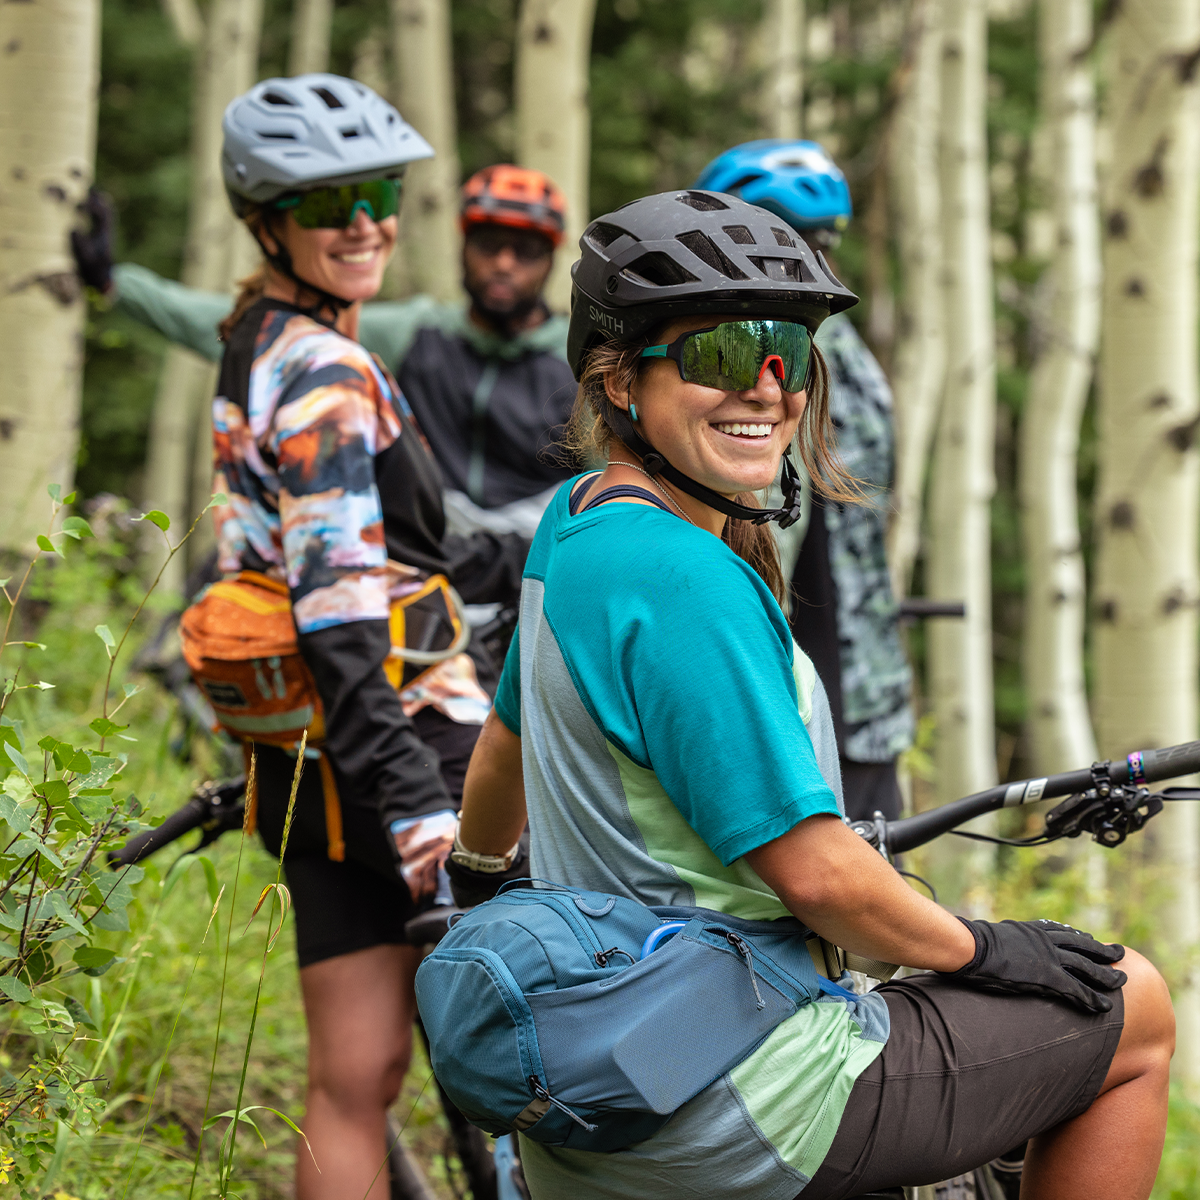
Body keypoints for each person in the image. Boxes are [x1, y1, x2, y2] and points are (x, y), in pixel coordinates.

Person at [445, 189, 1174, 1199]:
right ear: (616, 379)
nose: (770, 390)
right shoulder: (682, 576)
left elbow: (500, 749)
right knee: (1133, 1004)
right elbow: (821, 879)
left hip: (604, 1086)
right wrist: (987, 947)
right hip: (740, 1101)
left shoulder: (576, 525)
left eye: (788, 352)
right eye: (723, 356)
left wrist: (473, 886)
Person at [206, 73, 523, 1200]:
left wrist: (526, 550)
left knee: (352, 1079)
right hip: (410, 744)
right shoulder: (330, 373)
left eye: (379, 192)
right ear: (268, 218)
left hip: (302, 759)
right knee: (531, 1064)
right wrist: (422, 810)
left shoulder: (256, 343)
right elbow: (340, 605)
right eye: (328, 201)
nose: (363, 222)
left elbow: (376, 547)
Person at [73, 163, 579, 543]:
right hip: (420, 552)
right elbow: (254, 329)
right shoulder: (416, 333)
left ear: (551, 260)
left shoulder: (575, 361)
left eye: (527, 250)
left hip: (530, 566)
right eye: (489, 244)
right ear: (464, 247)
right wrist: (117, 284)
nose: (505, 264)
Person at [694, 140, 914, 823]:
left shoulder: (775, 357)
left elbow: (759, 539)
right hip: (866, 702)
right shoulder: (854, 356)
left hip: (797, 708)